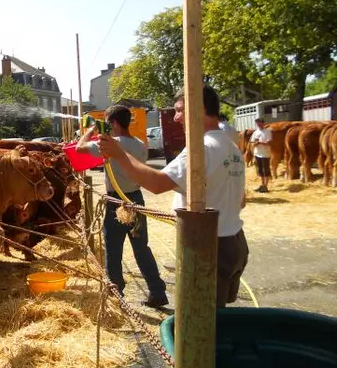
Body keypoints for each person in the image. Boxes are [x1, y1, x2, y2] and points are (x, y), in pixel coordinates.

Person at [97, 86, 248, 308]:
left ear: (199, 109)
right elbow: (241, 200)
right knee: (216, 320)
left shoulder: (202, 149)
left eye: (179, 110)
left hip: (208, 249)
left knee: (199, 326)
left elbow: (157, 184)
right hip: (234, 243)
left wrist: (118, 154)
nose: (176, 118)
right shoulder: (231, 147)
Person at [77, 105, 168, 308]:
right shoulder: (140, 144)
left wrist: (91, 131)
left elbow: (79, 148)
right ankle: (157, 291)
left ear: (114, 123)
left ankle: (116, 293)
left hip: (116, 201)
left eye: (108, 121)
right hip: (136, 199)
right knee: (141, 248)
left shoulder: (109, 143)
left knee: (113, 248)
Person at [249, 117, 272, 193]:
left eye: (259, 122)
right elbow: (252, 142)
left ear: (263, 123)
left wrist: (260, 143)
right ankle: (262, 185)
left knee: (266, 170)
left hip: (265, 154)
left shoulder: (267, 132)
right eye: (257, 123)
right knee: (260, 171)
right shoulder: (255, 132)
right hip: (257, 153)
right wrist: (254, 144)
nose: (258, 124)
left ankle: (266, 186)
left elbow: (269, 143)